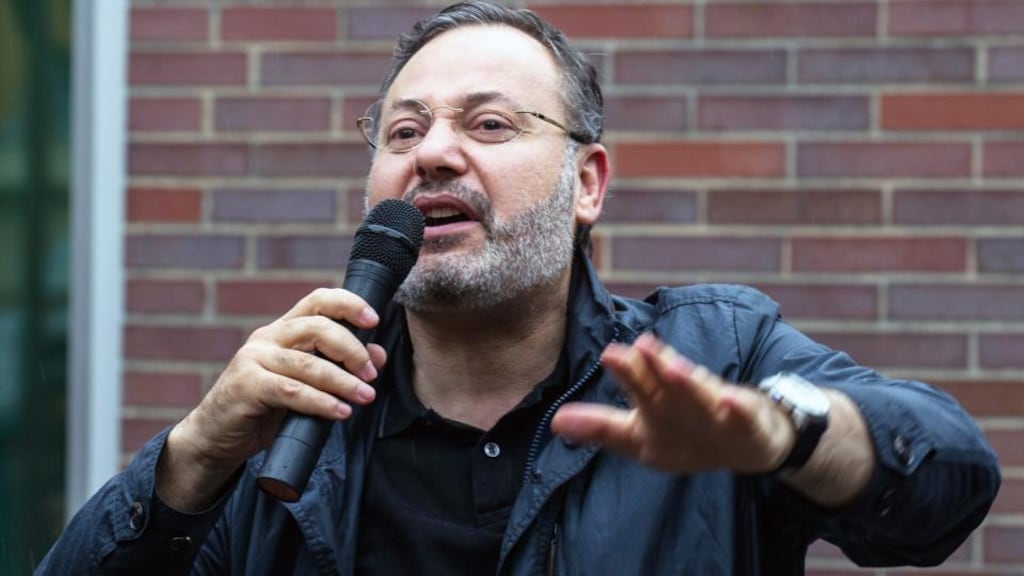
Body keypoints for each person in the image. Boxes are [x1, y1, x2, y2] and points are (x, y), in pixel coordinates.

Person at [39, 2, 999, 574]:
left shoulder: (714, 357)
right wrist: (192, 455)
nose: (434, 154)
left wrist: (785, 430)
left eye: (490, 126)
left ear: (587, 185)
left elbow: (949, 483)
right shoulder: (290, 424)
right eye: (403, 133)